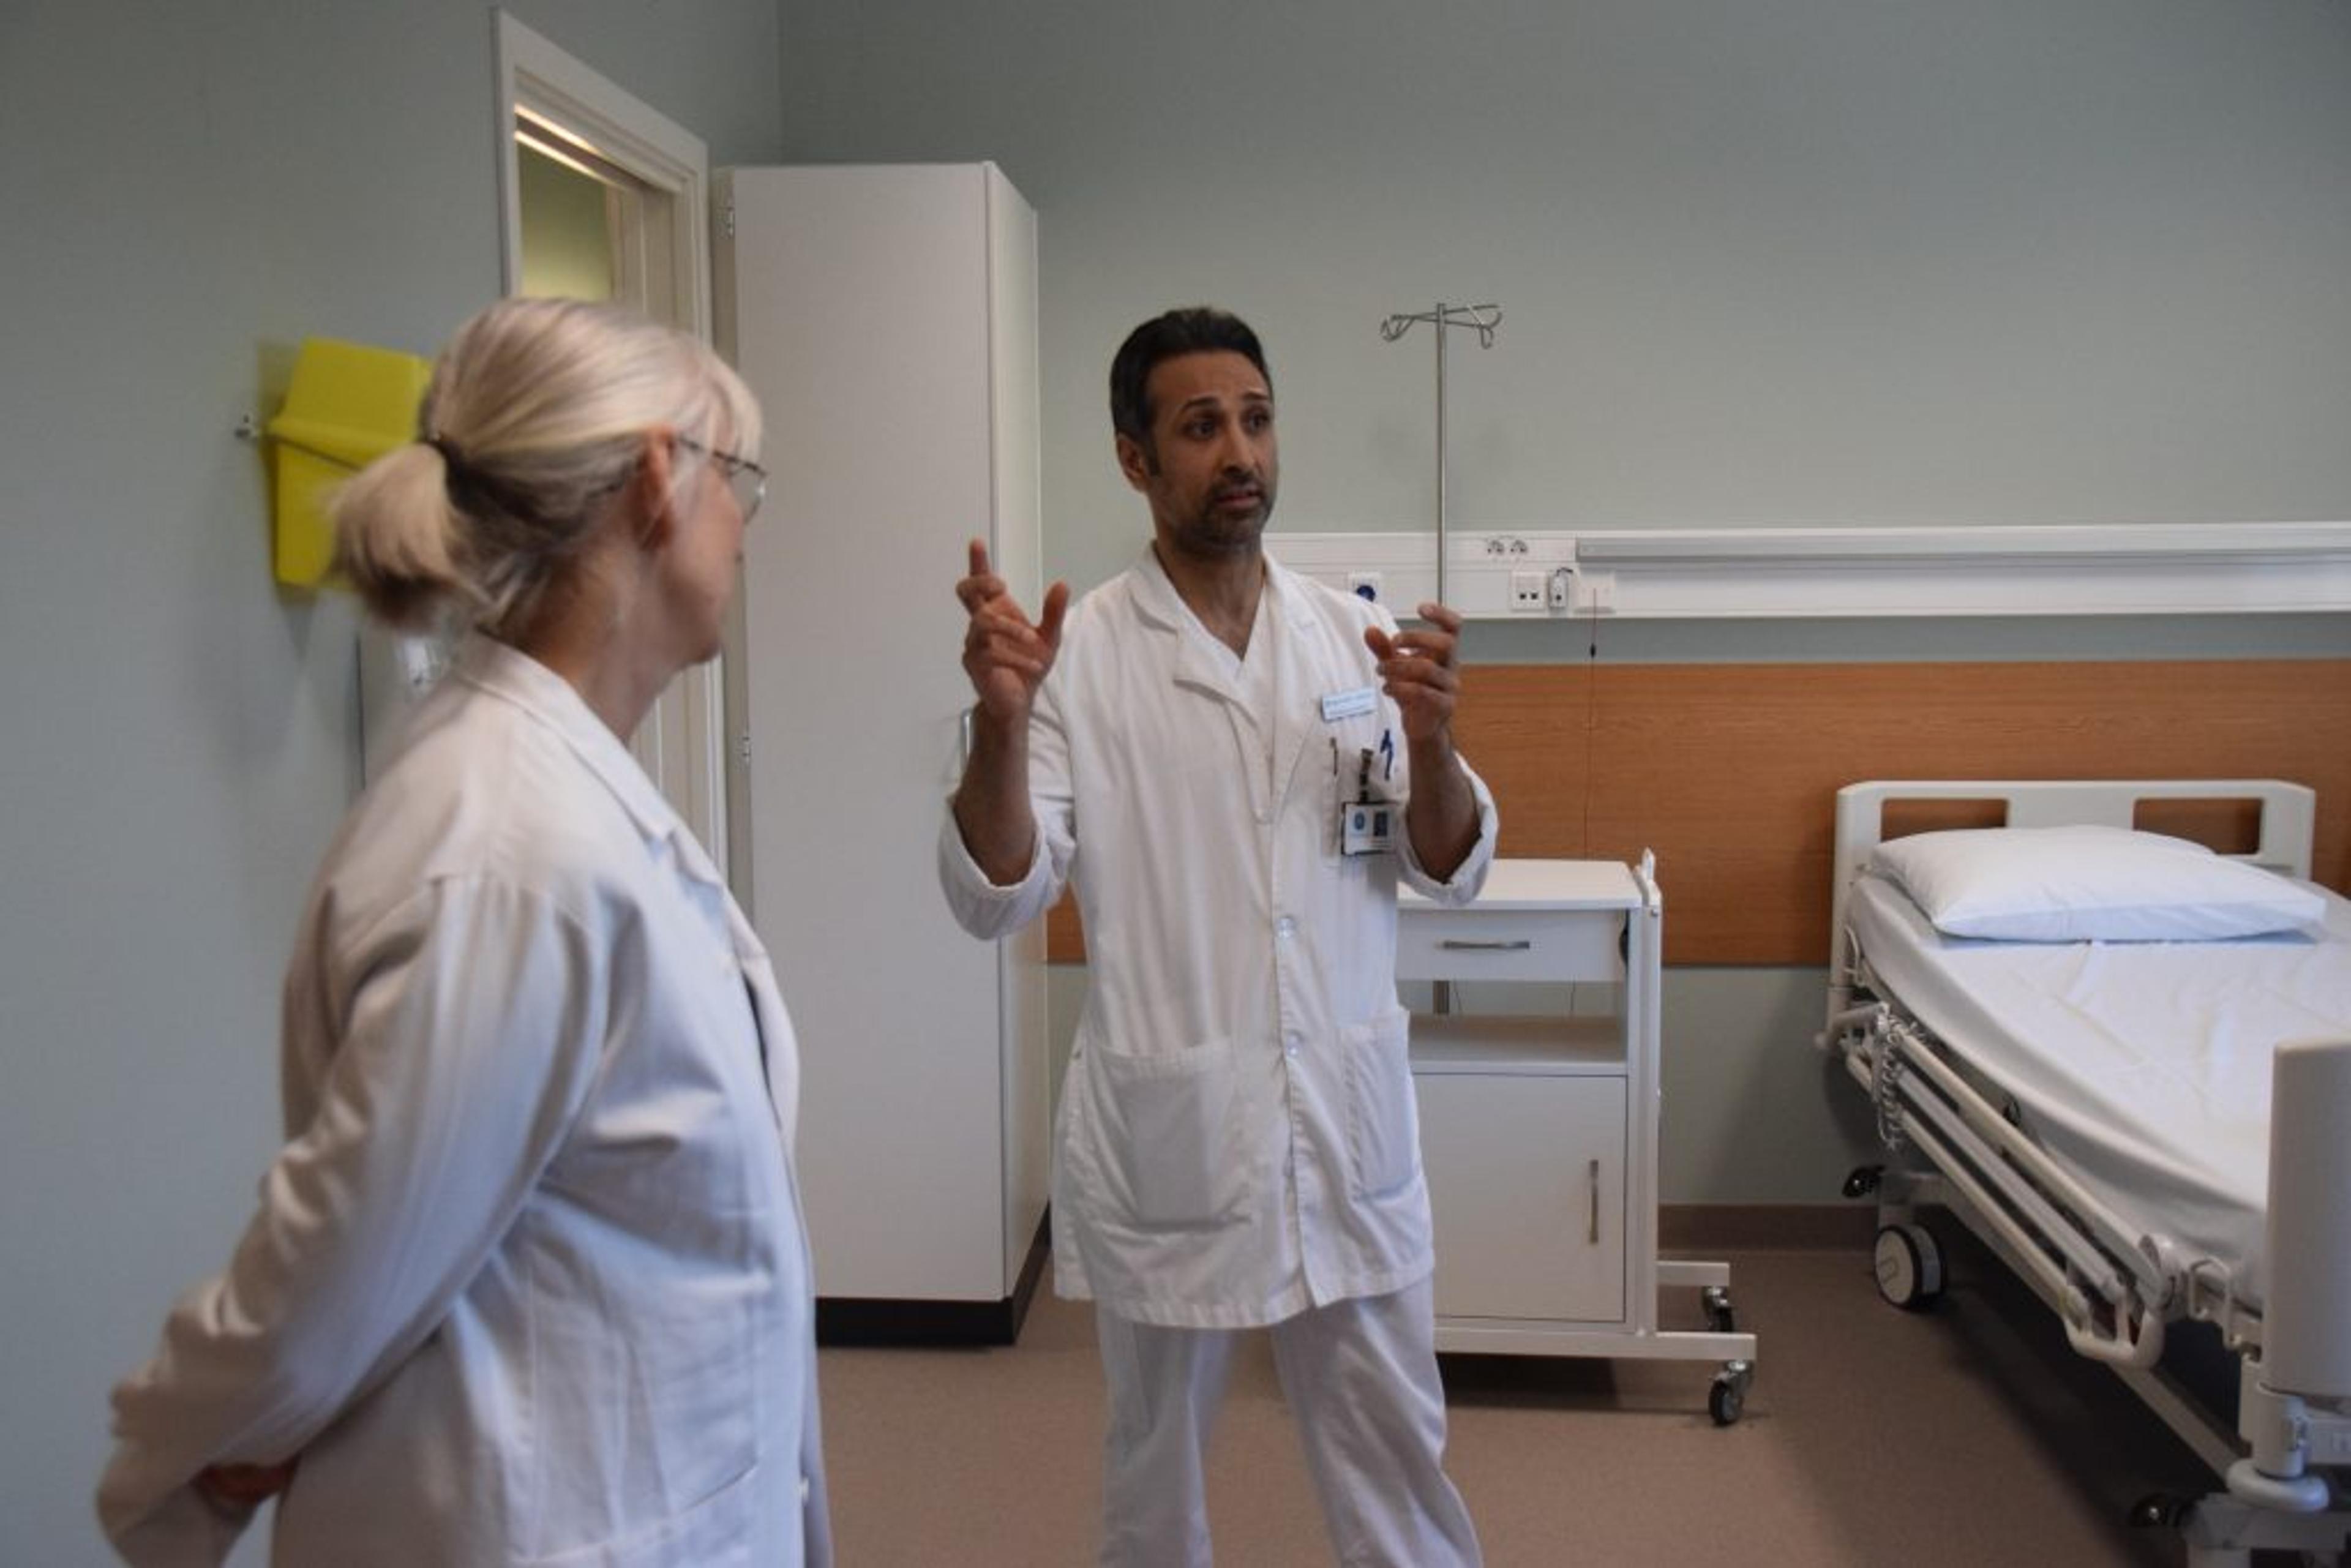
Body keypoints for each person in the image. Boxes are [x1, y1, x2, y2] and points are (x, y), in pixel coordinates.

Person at [96, 298, 831, 1567]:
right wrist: (206, 1446)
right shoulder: (513, 848)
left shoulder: (561, 794)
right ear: (656, 478)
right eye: (737, 477)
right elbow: (338, 1272)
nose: (746, 524)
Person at [939, 306, 1495, 1567]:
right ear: (1136, 459)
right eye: (1201, 427)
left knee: (1401, 1474)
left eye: (1256, 419)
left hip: (1347, 1135)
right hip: (1173, 1147)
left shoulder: (1352, 638)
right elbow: (998, 891)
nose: (1240, 452)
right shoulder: (1078, 660)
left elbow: (1447, 864)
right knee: (1157, 1487)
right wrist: (1003, 725)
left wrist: (1438, 744)